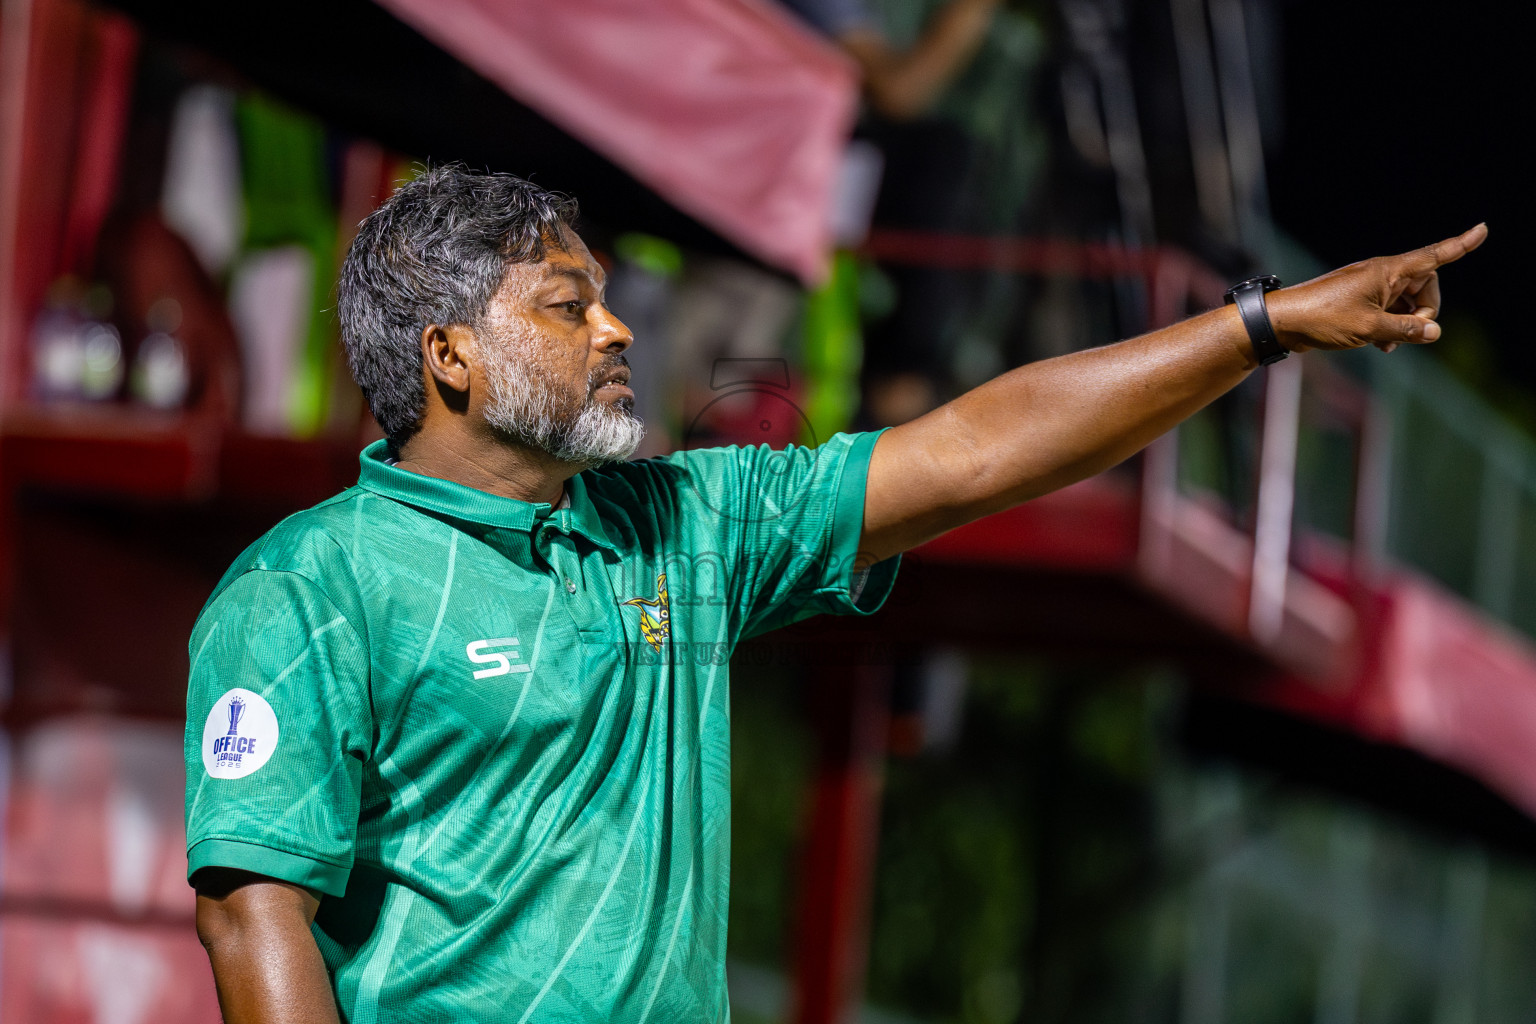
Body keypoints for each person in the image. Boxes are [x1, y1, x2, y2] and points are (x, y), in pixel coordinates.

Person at [185, 165, 1483, 1023]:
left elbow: (979, 448)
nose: (621, 329)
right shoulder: (310, 587)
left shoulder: (682, 526)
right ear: (452, 356)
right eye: (570, 306)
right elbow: (255, 923)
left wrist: (1258, 327)